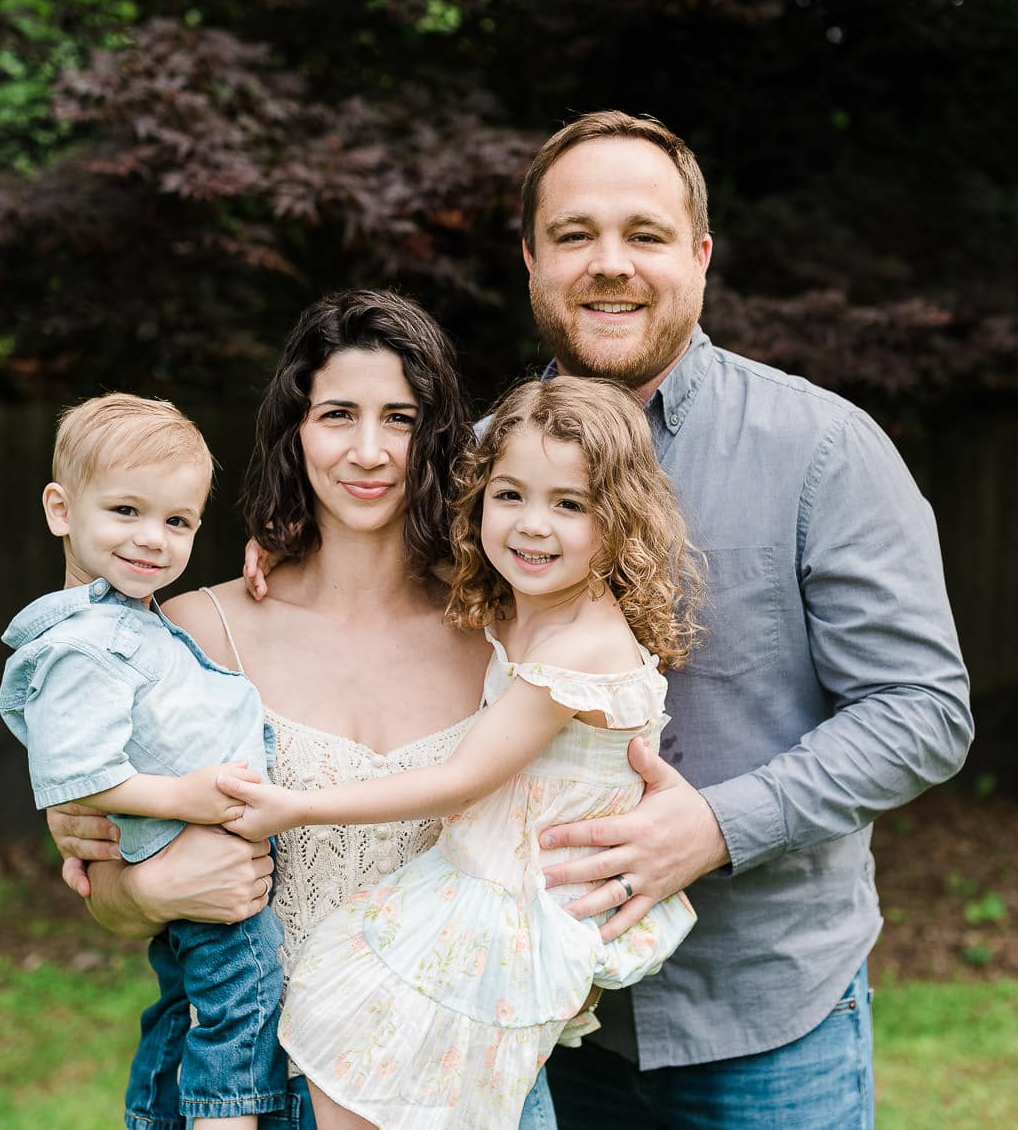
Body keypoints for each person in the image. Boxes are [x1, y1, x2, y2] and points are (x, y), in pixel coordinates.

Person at [504, 111, 975, 1128]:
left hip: (768, 1026)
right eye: (576, 234)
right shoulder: (477, 468)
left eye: (646, 234)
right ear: (533, 258)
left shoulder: (823, 451)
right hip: (527, 1019)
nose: (610, 264)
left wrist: (717, 827)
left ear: (701, 258)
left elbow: (923, 709)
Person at [45, 291, 560, 1129]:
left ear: (437, 435)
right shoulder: (194, 632)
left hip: (466, 1084)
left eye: (399, 417)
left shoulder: (508, 638)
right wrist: (151, 889)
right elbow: (103, 877)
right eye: (336, 414)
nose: (368, 450)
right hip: (245, 1089)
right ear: (294, 428)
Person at [218, 376, 702, 1130]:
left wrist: (298, 805)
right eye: (510, 495)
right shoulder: (529, 602)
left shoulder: (579, 647)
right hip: (483, 882)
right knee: (347, 1034)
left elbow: (458, 780)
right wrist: (293, 536)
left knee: (350, 1022)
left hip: (500, 907)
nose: (532, 525)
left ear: (620, 517)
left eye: (569, 504)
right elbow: (401, 514)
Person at [0, 393, 286, 1130]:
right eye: (126, 511)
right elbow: (83, 775)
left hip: (200, 845)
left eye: (178, 520)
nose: (153, 539)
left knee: (189, 997)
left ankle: (162, 1110)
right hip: (192, 849)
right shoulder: (82, 646)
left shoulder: (130, 619)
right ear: (61, 509)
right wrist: (188, 799)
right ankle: (227, 1116)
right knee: (240, 991)